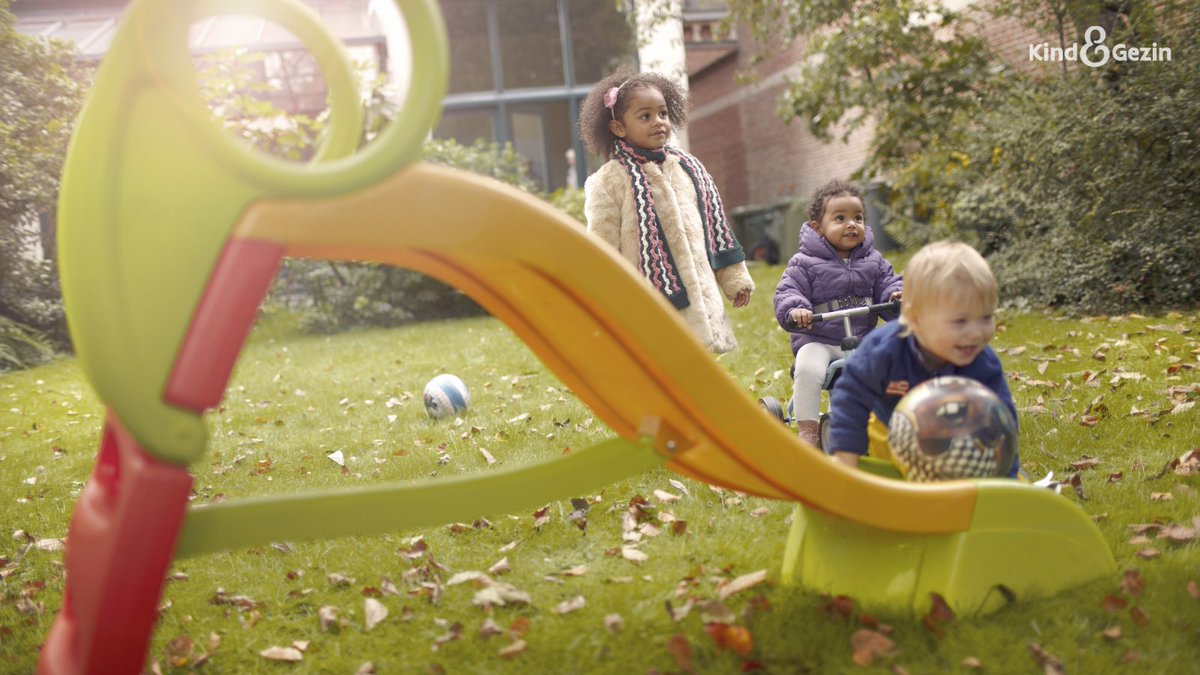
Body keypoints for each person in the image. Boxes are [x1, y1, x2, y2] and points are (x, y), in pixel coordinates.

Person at [580, 71, 753, 354]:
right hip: (646, 300)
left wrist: (735, 280)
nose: (658, 121)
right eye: (645, 116)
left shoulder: (688, 169)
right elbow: (603, 248)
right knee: (661, 361)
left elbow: (715, 230)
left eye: (663, 113)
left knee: (698, 364)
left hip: (700, 299)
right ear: (618, 127)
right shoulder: (609, 182)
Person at [826, 240, 1022, 479]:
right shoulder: (884, 349)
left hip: (957, 432)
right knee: (895, 488)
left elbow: (1002, 420)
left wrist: (1006, 474)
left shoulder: (983, 362)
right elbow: (851, 397)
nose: (975, 333)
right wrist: (846, 456)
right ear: (915, 319)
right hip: (891, 429)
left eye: (985, 318)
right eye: (960, 322)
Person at [773, 179, 903, 447]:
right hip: (819, 340)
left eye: (858, 217)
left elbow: (889, 283)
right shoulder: (803, 263)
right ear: (817, 227)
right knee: (808, 369)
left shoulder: (874, 261)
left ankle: (893, 420)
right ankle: (808, 430)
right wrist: (796, 309)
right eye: (840, 218)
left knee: (894, 364)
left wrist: (895, 296)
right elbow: (788, 291)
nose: (851, 224)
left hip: (862, 339)